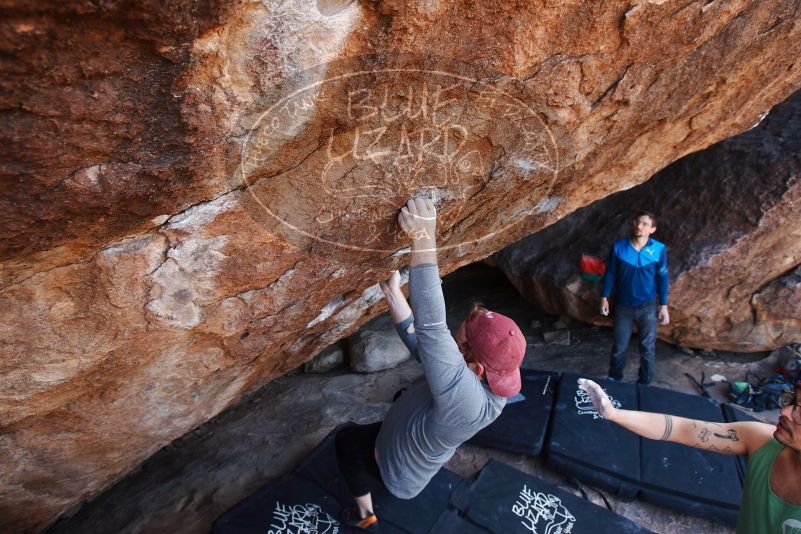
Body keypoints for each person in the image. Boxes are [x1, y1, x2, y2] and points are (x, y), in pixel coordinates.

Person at [334, 197, 526, 531]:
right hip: (410, 437)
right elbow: (424, 346)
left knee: (346, 442)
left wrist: (424, 235)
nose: (454, 336)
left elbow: (431, 327)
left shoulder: (468, 402)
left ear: (476, 368)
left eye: (460, 338)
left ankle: (366, 516)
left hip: (396, 471)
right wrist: (394, 294)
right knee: (401, 398)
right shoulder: (480, 375)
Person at [577, 378, 801, 533]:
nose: (784, 412)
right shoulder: (762, 441)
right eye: (792, 401)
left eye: (799, 411)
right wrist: (615, 414)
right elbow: (683, 429)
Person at [600, 211, 669, 385]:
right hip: (623, 305)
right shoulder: (619, 247)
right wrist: (604, 296)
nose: (639, 226)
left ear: (652, 229)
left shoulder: (659, 249)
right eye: (637, 222)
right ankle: (614, 379)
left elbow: (663, 277)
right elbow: (610, 273)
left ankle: (645, 383)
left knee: (647, 348)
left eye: (645, 224)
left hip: (647, 305)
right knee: (620, 346)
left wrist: (663, 305)